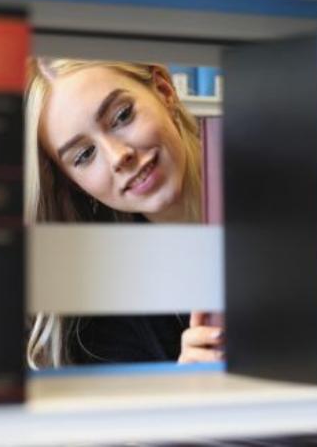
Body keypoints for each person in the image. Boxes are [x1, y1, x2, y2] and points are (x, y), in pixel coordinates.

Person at [24, 58, 224, 369]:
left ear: (164, 90)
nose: (119, 156)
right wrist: (189, 384)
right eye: (85, 155)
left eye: (121, 116)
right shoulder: (103, 316)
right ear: (75, 185)